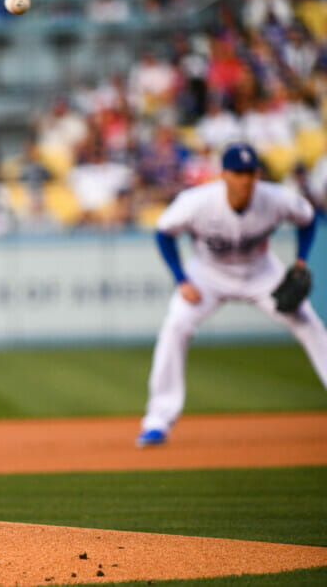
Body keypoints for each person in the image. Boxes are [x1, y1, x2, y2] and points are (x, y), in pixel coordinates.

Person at [137, 142, 327, 447]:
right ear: (224, 174)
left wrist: (301, 259)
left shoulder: (276, 198)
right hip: (208, 276)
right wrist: (181, 278)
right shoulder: (196, 202)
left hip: (261, 274)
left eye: (251, 172)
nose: (245, 179)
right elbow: (163, 232)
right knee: (176, 326)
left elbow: (307, 219)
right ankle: (158, 419)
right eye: (238, 173)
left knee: (308, 323)